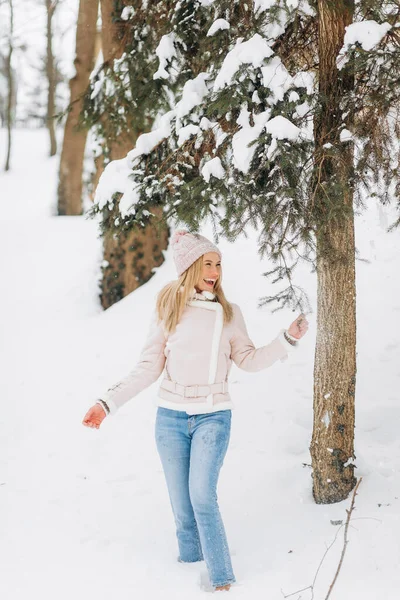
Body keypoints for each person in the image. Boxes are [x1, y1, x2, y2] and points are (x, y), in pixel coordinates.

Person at [82, 230, 309, 592]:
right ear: (190, 267)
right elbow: (147, 368)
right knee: (182, 506)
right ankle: (188, 575)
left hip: (213, 417)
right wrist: (106, 403)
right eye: (208, 263)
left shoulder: (229, 314)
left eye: (218, 264)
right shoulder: (168, 309)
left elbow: (248, 361)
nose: (215, 271)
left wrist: (287, 339)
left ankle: (222, 580)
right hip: (170, 419)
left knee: (201, 495)